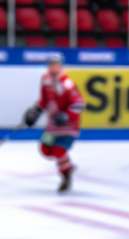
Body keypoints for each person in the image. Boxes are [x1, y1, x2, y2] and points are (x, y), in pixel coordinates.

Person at [22, 53, 86, 194]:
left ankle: (66, 176)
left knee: (58, 150)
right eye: (51, 64)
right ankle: (67, 167)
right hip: (53, 124)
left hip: (68, 125)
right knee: (46, 149)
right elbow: (44, 100)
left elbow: (79, 104)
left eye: (56, 65)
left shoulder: (67, 84)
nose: (54, 67)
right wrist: (36, 110)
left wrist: (67, 116)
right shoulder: (45, 80)